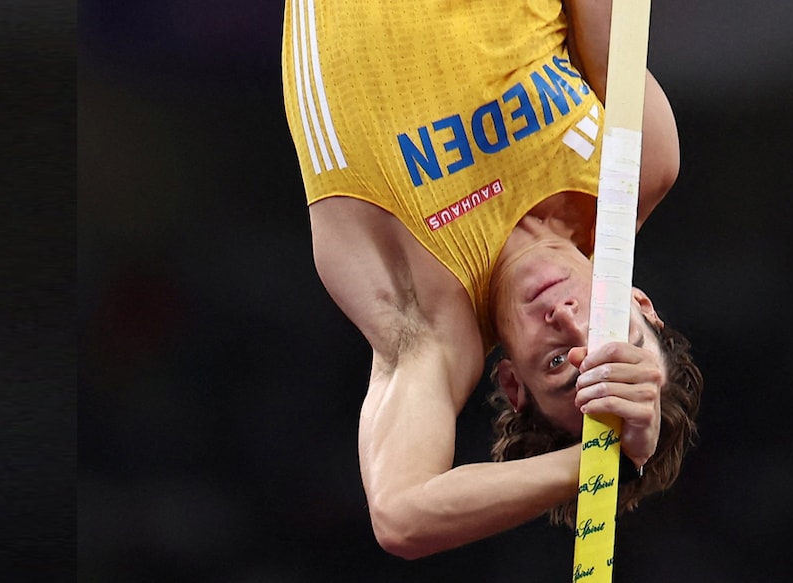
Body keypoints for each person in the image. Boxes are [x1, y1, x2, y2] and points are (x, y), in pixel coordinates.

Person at [281, 0, 702, 559]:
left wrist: (605, 463)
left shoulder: (427, 325)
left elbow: (402, 514)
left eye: (556, 364)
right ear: (640, 301)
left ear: (511, 383)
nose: (567, 320)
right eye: (609, 333)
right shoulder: (635, 165)